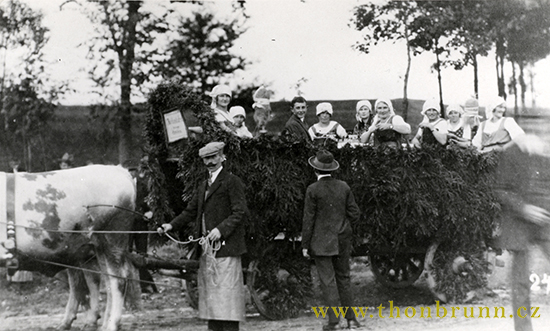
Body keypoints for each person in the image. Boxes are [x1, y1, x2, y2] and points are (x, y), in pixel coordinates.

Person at [158, 142, 248, 331]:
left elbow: (240, 212)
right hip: (208, 250)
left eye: (213, 157)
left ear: (222, 157)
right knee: (212, 297)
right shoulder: (203, 185)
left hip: (227, 249)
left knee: (227, 297)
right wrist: (171, 225)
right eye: (206, 159)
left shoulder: (232, 182)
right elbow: (190, 211)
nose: (210, 162)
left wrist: (220, 230)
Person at [492, 134, 550, 331]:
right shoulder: (511, 153)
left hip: (546, 222)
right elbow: (500, 189)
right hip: (519, 225)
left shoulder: (547, 150)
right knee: (521, 284)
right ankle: (524, 329)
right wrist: (524, 209)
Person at [302, 150, 361, 330]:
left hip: (321, 243)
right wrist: (344, 228)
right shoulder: (344, 187)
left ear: (315, 170)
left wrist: (305, 245)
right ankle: (351, 320)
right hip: (342, 240)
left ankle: (333, 323)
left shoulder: (312, 189)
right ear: (332, 170)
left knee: (327, 281)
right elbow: (355, 214)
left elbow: (308, 220)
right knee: (344, 278)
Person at [124, 159, 157, 294]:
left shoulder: (143, 186)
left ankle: (145, 284)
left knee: (141, 253)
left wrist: (150, 212)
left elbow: (150, 204)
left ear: (137, 172)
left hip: (140, 224)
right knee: (126, 253)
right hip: (126, 226)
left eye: (134, 171)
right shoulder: (122, 188)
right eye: (129, 171)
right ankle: (127, 286)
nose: (132, 174)